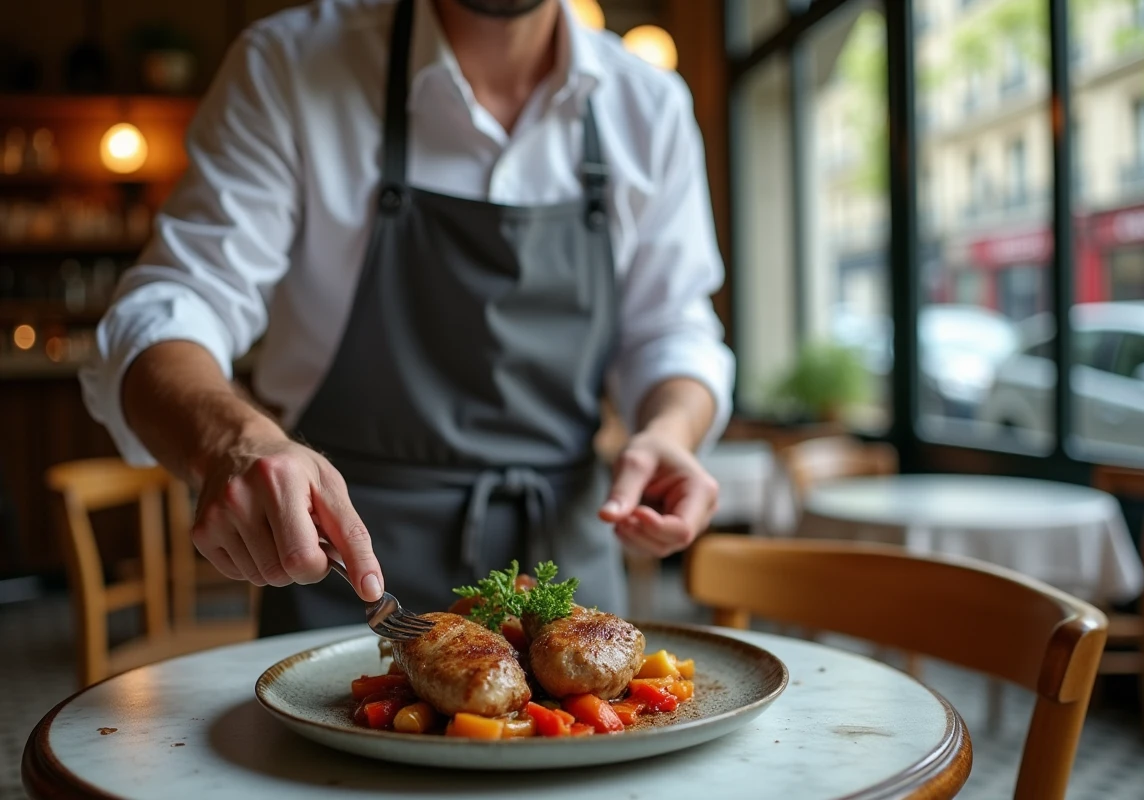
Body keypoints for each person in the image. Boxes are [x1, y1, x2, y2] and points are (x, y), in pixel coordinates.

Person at [80, 0, 733, 636]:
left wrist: (671, 429)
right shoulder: (288, 65)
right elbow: (170, 306)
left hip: (569, 588)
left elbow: (672, 329)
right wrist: (233, 439)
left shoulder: (649, 105)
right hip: (344, 586)